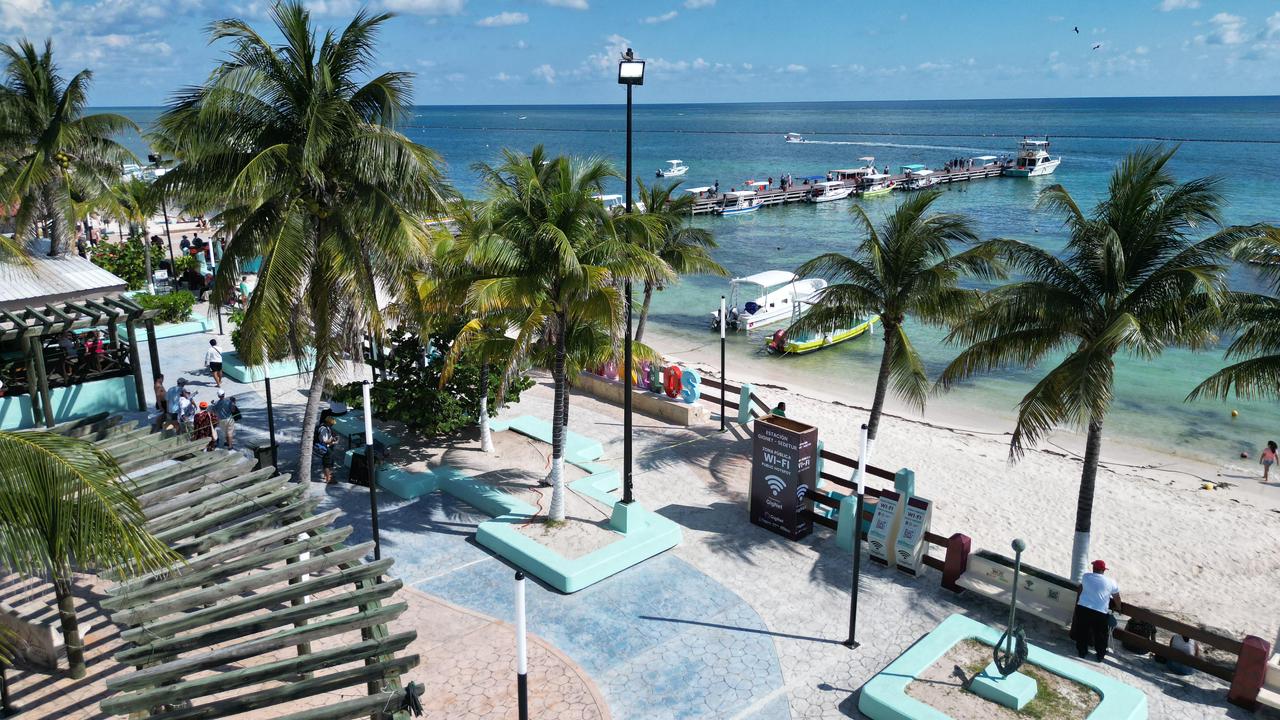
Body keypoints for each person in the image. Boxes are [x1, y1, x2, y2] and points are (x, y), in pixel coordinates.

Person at [1071, 559, 1120, 662]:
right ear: (1104, 570)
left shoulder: (1086, 576)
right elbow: (1116, 597)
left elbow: (1081, 589)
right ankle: (1100, 655)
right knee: (1101, 634)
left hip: (1083, 607)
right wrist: (1118, 607)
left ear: (1094, 568)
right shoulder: (1111, 582)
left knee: (1082, 631)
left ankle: (1082, 651)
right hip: (1100, 611)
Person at [315, 415, 339, 484]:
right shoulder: (324, 429)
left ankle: (327, 476)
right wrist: (333, 440)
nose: (332, 425)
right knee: (327, 464)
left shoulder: (325, 427)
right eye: (331, 424)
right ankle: (328, 479)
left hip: (327, 447)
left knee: (328, 463)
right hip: (325, 448)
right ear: (328, 422)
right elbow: (324, 441)